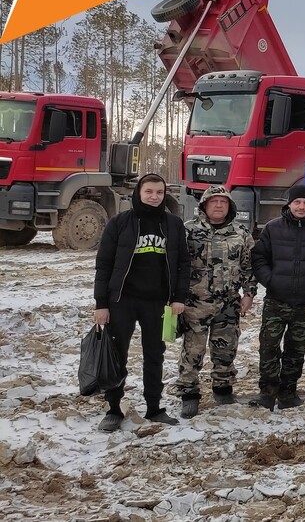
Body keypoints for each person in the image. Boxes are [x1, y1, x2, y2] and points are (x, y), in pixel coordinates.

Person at [93, 173, 189, 431]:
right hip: (122, 300)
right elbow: (103, 264)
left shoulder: (173, 224)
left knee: (154, 355)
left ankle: (154, 408)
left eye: (159, 192)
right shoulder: (120, 223)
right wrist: (101, 303)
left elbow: (183, 264)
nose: (154, 197)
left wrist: (178, 297)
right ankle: (114, 408)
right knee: (117, 354)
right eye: (149, 192)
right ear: (139, 192)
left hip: (157, 303)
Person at [251, 184, 305, 411]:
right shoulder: (272, 228)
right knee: (268, 346)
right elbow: (259, 258)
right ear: (289, 204)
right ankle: (268, 391)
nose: (301, 207)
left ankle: (288, 391)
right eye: (297, 202)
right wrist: (270, 280)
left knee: (296, 348)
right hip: (276, 299)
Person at [177, 185, 256, 418]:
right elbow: (176, 265)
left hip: (229, 304)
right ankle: (189, 393)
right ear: (204, 205)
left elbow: (248, 267)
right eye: (214, 201)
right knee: (193, 350)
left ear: (229, 206)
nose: (218, 205)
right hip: (195, 304)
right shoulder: (188, 231)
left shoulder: (241, 233)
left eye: (223, 201)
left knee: (226, 349)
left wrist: (249, 294)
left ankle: (222, 388)